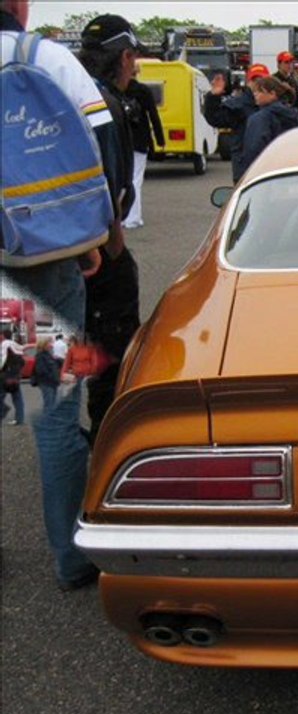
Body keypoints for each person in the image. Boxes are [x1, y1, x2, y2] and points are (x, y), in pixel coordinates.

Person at [1, 1, 127, 591]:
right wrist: (96, 234)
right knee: (51, 412)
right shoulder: (46, 57)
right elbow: (103, 147)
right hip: (42, 254)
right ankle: (71, 558)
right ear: (20, 6)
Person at [78, 14, 144, 444]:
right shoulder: (105, 105)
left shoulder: (62, 92)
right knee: (111, 346)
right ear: (123, 56)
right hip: (95, 249)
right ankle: (108, 435)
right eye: (134, 58)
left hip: (33, 246)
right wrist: (115, 246)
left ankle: (63, 433)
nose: (136, 68)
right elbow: (113, 187)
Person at [204, 63, 271, 183]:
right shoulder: (238, 105)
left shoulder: (275, 106)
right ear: (248, 82)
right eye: (254, 80)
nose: (257, 84)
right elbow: (215, 118)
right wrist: (213, 97)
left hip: (269, 166)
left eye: (261, 80)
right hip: (244, 169)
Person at [122, 63, 165, 229]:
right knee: (136, 178)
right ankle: (133, 218)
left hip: (123, 139)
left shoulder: (117, 91)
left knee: (124, 179)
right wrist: (160, 139)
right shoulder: (143, 91)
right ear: (137, 72)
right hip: (140, 140)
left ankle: (124, 217)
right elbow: (153, 116)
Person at [235, 75, 298, 179]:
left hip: (264, 174)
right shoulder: (293, 115)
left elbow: (254, 149)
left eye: (259, 91)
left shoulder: (260, 118)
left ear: (272, 94)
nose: (255, 94)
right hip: (291, 172)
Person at [1, 328, 25, 425]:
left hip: (4, 377)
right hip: (15, 377)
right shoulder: (16, 347)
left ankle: (4, 409)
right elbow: (22, 362)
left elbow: (2, 362)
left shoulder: (4, 346)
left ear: (3, 335)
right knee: (18, 399)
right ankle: (19, 419)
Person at [31, 337, 60, 411]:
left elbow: (54, 366)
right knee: (49, 404)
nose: (50, 345)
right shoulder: (40, 356)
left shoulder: (48, 354)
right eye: (48, 343)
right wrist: (51, 376)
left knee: (52, 404)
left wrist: (58, 361)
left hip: (53, 382)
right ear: (43, 345)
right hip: (47, 383)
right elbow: (41, 370)